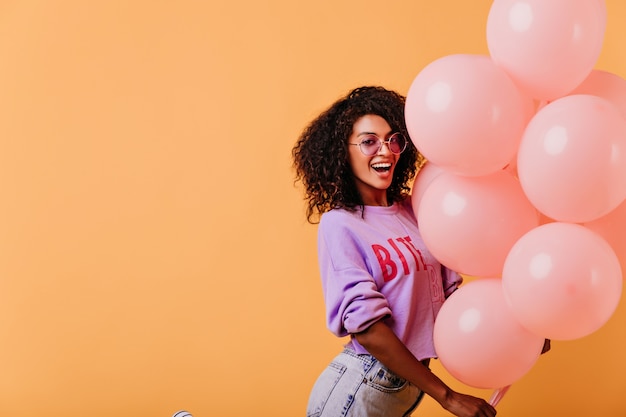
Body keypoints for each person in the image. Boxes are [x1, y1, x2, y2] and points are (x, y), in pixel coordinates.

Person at [292, 86, 499, 417]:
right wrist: (447, 397)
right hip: (359, 389)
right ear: (341, 152)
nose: (385, 151)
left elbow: (446, 301)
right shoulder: (341, 224)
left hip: (405, 389)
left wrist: (513, 328)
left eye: (393, 140)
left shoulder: (416, 209)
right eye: (369, 141)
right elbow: (368, 329)